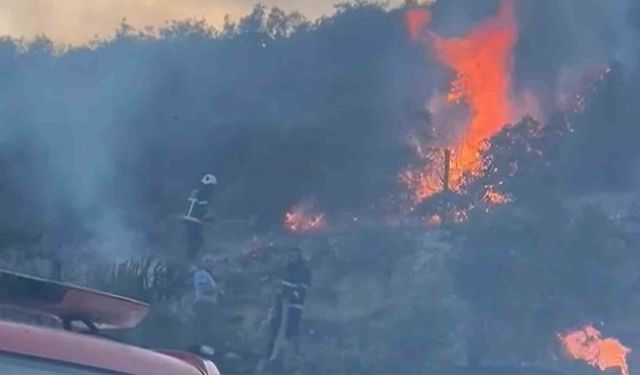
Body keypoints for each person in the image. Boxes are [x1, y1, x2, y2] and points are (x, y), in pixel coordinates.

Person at [262, 248, 311, 373]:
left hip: (294, 306)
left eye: (295, 255)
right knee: (276, 329)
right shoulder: (285, 271)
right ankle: (276, 356)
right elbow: (279, 288)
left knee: (290, 332)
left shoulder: (303, 272)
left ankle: (292, 357)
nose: (292, 258)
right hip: (280, 305)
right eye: (290, 255)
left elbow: (302, 290)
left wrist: (288, 290)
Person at [184, 173, 217, 259]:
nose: (212, 189)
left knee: (194, 241)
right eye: (212, 187)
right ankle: (190, 258)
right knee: (197, 241)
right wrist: (210, 219)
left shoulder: (195, 192)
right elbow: (202, 211)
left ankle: (189, 257)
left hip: (188, 220)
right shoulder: (204, 195)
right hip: (194, 222)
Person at [192, 254, 221, 345]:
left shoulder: (209, 276)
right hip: (203, 304)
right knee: (203, 328)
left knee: (209, 328)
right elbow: (204, 289)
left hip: (209, 305)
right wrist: (218, 288)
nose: (212, 265)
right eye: (209, 262)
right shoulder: (201, 274)